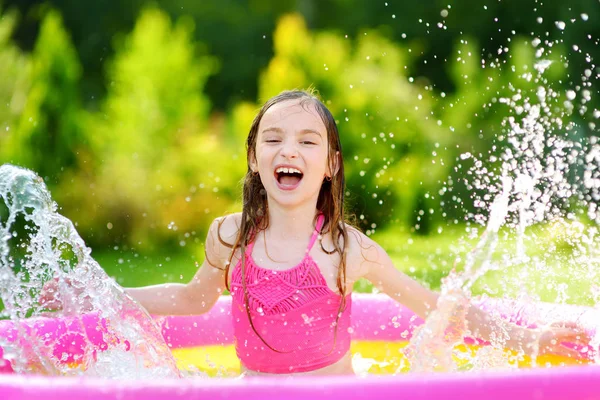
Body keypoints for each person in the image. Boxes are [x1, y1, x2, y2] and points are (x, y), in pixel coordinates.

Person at [40, 89, 589, 376]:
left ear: (329, 164)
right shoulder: (229, 236)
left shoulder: (343, 249)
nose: (289, 150)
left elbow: (439, 308)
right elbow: (190, 298)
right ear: (255, 160)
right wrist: (95, 296)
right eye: (273, 139)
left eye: (307, 141)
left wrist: (528, 340)